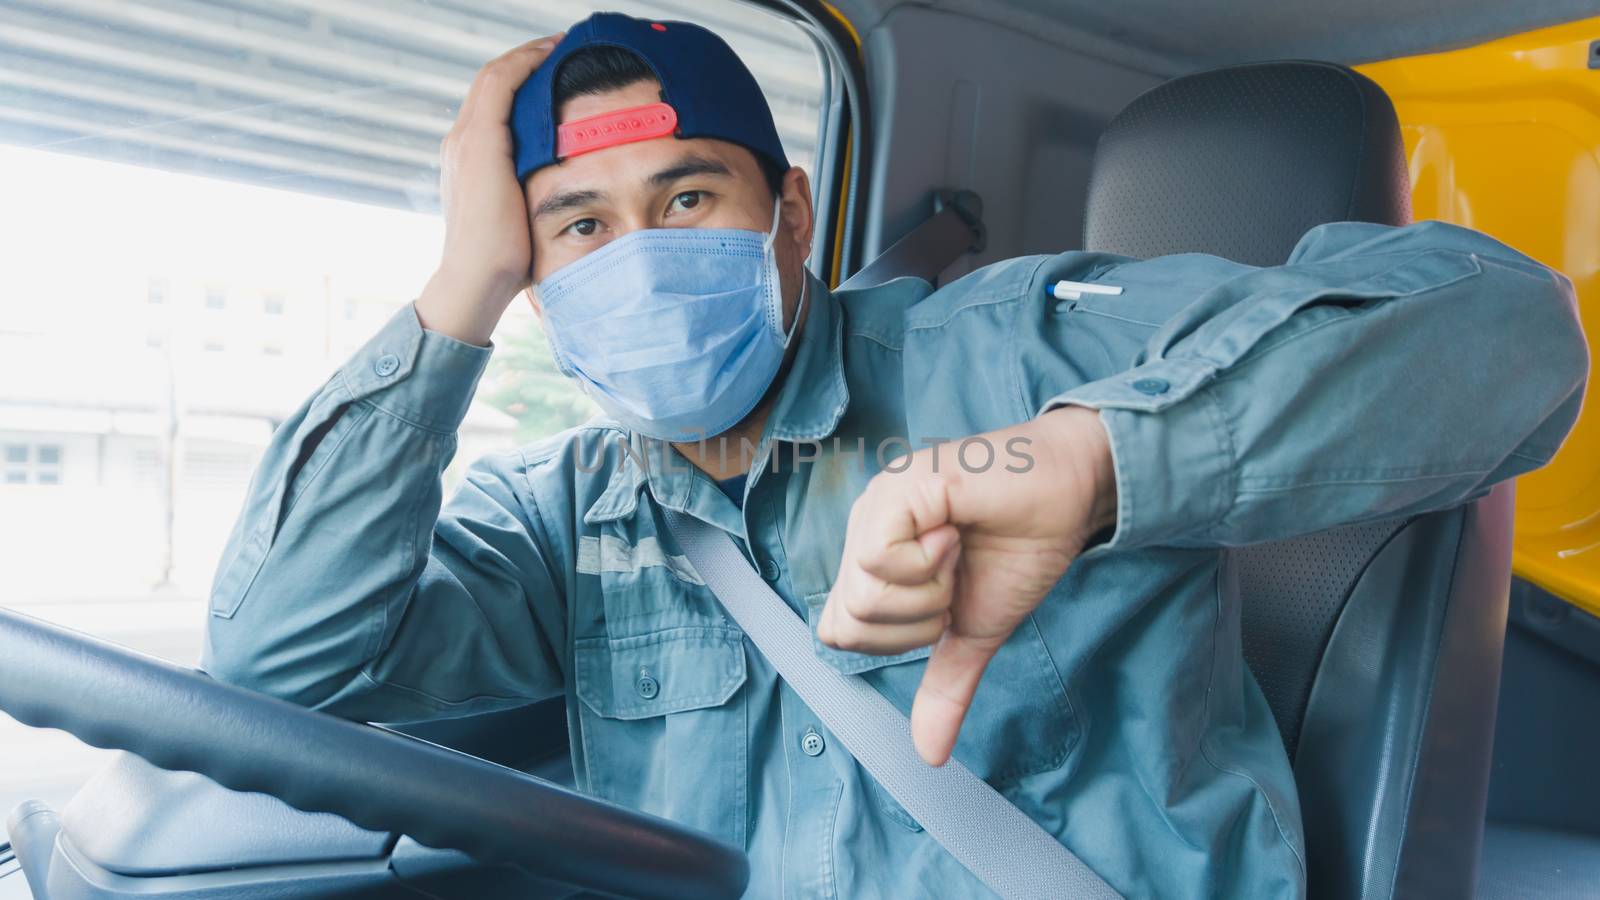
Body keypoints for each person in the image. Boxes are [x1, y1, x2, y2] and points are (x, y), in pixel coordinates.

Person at [203, 12, 1588, 898]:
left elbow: (1510, 335)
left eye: (688, 196)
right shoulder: (565, 513)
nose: (641, 257)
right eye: (578, 228)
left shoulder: (1026, 352)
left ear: (787, 211)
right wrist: (458, 287)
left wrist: (1094, 459)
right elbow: (284, 665)